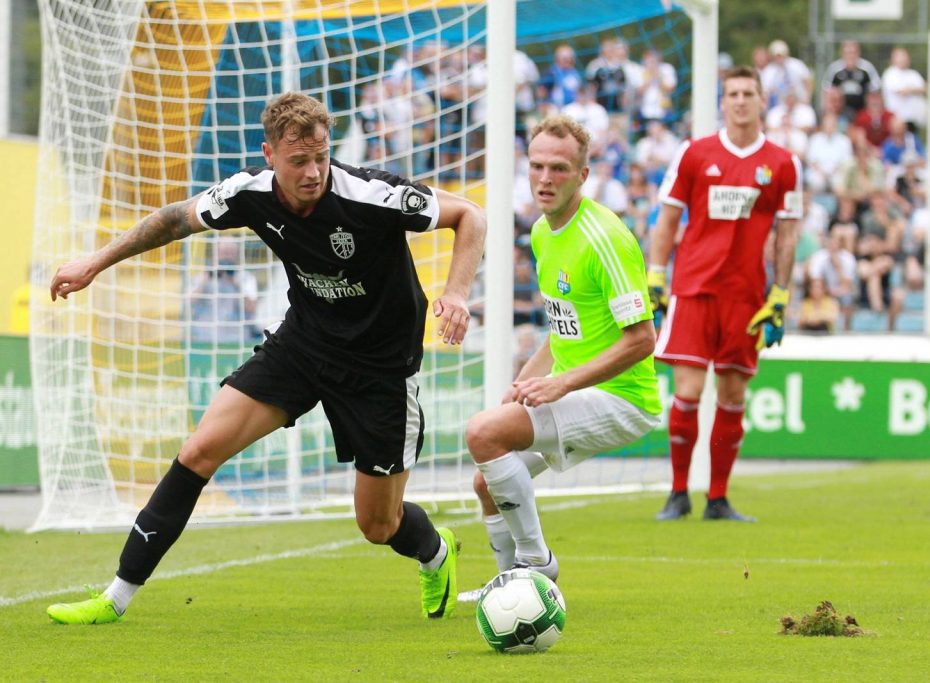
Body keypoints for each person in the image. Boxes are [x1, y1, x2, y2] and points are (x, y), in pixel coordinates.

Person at [45, 92, 486, 624]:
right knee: (198, 451)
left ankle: (437, 552)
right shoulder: (248, 192)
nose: (313, 171)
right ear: (270, 153)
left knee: (378, 525)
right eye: (299, 160)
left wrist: (457, 294)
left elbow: (470, 216)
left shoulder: (372, 194)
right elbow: (173, 220)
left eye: (321, 156)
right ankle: (114, 598)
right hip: (304, 346)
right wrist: (96, 261)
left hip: (381, 369)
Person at [459, 115, 661, 596]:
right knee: (488, 482)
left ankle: (536, 564)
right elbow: (561, 328)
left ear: (583, 176)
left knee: (482, 433)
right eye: (537, 166)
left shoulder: (605, 238)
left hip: (622, 398)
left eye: (559, 169)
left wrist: (561, 384)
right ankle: (508, 586)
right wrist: (524, 380)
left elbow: (643, 340)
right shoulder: (543, 234)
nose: (545, 179)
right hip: (575, 390)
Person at [647, 66, 802, 523]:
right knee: (689, 390)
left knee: (733, 395)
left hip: (747, 296)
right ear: (722, 101)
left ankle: (718, 498)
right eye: (732, 93)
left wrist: (781, 294)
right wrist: (657, 275)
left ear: (761, 101)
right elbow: (668, 218)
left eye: (747, 93)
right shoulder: (694, 154)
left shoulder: (783, 163)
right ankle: (678, 493)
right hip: (694, 287)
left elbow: (788, 234)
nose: (739, 101)